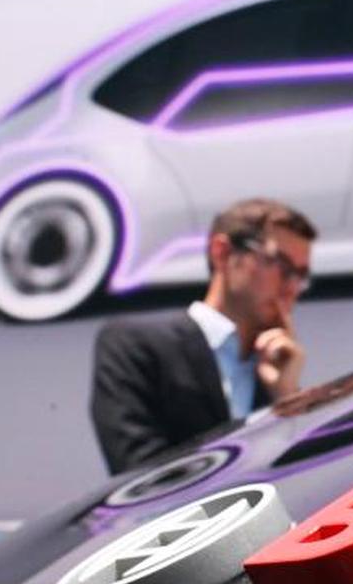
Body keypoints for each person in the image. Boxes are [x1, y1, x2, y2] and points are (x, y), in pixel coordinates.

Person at [90, 198, 317, 474]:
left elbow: (303, 473)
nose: (291, 287)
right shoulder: (135, 344)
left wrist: (287, 396)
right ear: (222, 253)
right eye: (280, 264)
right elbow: (139, 472)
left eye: (301, 275)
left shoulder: (277, 367)